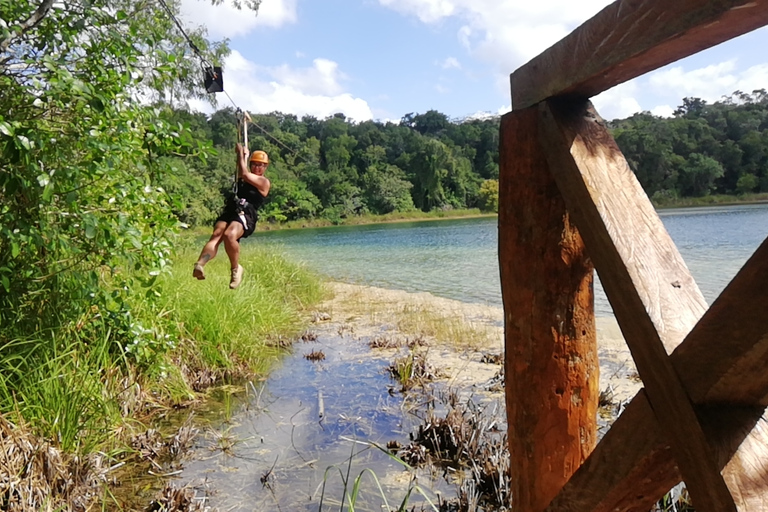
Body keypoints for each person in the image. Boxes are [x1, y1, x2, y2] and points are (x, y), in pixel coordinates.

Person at [193, 143, 271, 289]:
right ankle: (200, 264)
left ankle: (236, 269)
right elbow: (242, 170)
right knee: (217, 234)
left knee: (230, 235)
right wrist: (240, 155)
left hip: (246, 214)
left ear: (265, 167)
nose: (257, 167)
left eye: (261, 165)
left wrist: (242, 154)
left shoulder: (264, 182)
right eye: (254, 164)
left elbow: (246, 173)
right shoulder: (242, 176)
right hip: (231, 209)